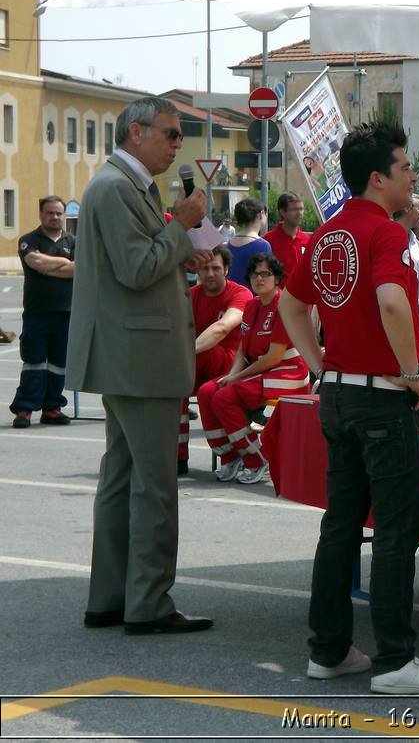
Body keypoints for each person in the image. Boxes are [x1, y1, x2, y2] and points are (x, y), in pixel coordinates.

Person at [278, 118, 419, 694]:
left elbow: (290, 303)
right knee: (396, 532)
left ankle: (328, 650)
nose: (411, 176)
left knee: (341, 526)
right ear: (379, 178)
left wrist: (318, 363)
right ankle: (396, 660)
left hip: (337, 393)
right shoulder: (386, 234)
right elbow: (391, 302)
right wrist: (411, 373)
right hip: (382, 399)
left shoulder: (329, 232)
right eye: (405, 167)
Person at [70, 96, 214, 635]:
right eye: (171, 134)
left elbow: (145, 259)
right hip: (140, 357)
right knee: (153, 486)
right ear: (137, 133)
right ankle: (148, 603)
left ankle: (111, 597)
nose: (177, 145)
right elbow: (136, 269)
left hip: (132, 355)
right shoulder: (115, 187)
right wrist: (182, 224)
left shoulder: (124, 186)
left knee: (123, 478)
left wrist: (181, 246)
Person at [198, 252, 308, 485]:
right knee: (208, 392)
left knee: (224, 397)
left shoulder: (283, 305)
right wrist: (231, 374)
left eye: (266, 274)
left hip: (288, 371)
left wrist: (237, 377)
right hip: (260, 371)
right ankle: (230, 456)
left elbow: (273, 357)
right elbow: (242, 349)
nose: (259, 279)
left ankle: (257, 459)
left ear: (277, 278)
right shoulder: (251, 305)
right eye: (255, 274)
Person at [178, 246, 251, 475]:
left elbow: (221, 328)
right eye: (205, 268)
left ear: (227, 270)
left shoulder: (241, 294)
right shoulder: (190, 295)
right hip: (198, 364)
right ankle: (176, 457)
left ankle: (230, 455)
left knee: (203, 356)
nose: (210, 273)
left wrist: (182, 354)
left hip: (230, 366)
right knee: (172, 385)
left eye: (216, 268)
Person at [11, 195, 74, 429]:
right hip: (37, 313)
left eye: (59, 213)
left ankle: (52, 408)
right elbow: (35, 262)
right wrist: (63, 263)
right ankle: (25, 409)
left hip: (66, 313)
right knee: (33, 362)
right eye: (50, 213)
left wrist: (49, 267)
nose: (55, 217)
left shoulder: (73, 241)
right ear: (41, 214)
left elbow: (78, 270)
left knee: (59, 364)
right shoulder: (28, 240)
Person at [262, 191, 311, 280]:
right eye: (294, 209)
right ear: (282, 212)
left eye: (301, 209)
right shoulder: (267, 242)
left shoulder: (308, 240)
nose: (299, 213)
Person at [227, 197, 271, 289]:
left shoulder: (228, 244)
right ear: (261, 214)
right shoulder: (263, 245)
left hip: (230, 296)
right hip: (252, 298)